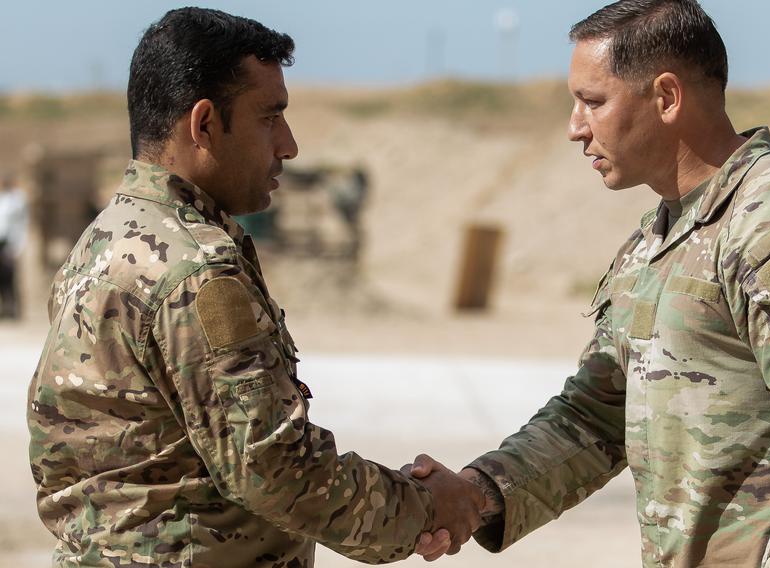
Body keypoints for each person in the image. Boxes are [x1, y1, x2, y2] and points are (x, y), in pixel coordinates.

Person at [408, 0, 770, 565]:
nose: (574, 127)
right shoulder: (656, 240)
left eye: (592, 102)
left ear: (666, 97)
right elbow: (595, 415)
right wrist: (478, 494)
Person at [26, 8, 475, 567]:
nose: (288, 145)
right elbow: (273, 469)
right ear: (205, 123)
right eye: (270, 118)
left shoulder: (106, 238)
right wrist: (428, 509)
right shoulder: (193, 268)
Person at [0, 172, 27, 319]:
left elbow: (20, 223)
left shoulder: (17, 199)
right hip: (1, 241)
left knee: (11, 277)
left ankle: (14, 309)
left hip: (11, 242)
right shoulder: (3, 199)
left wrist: (18, 245)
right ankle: (5, 309)